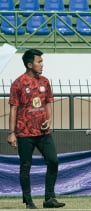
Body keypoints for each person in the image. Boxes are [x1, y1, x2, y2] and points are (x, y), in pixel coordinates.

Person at [7, 49, 66, 209]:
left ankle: (49, 199)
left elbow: (47, 102)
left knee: (53, 161)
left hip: (43, 132)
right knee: (26, 166)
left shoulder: (45, 81)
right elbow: (13, 108)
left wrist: (49, 119)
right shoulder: (18, 84)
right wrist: (11, 132)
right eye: (39, 62)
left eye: (42, 61)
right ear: (29, 64)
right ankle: (28, 201)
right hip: (24, 133)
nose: (42, 65)